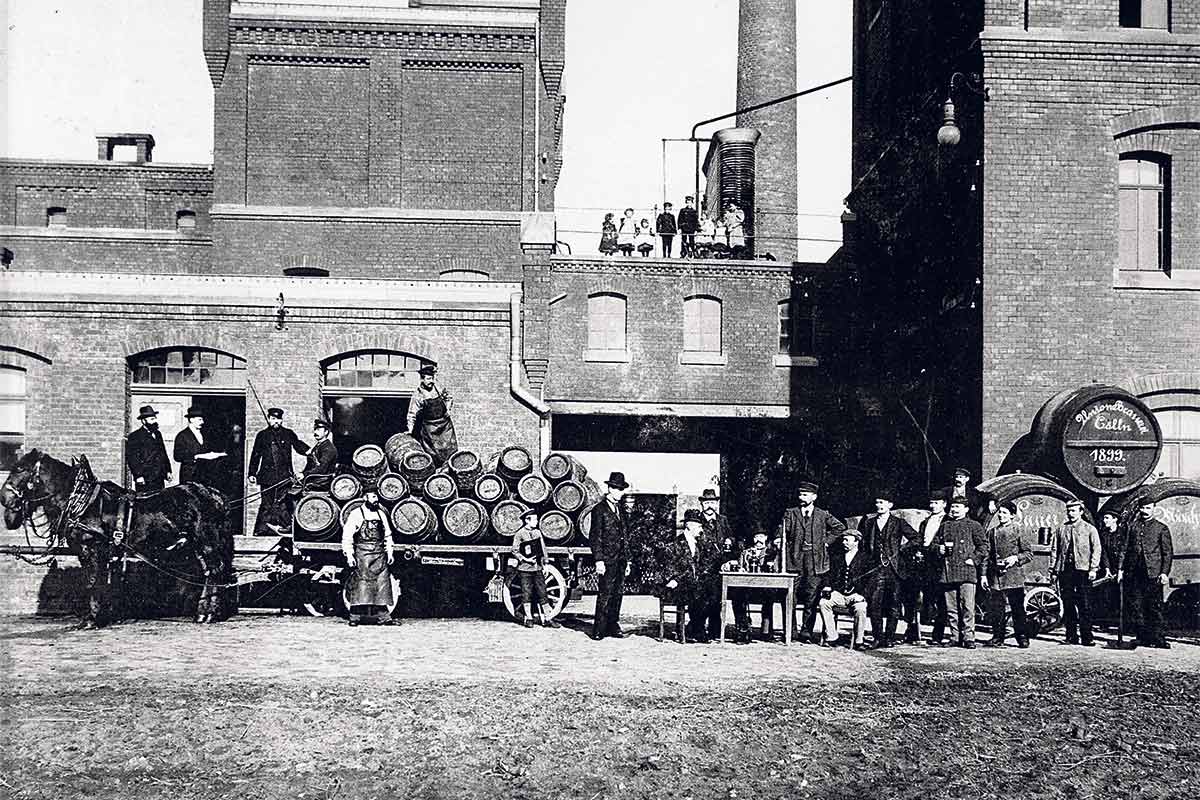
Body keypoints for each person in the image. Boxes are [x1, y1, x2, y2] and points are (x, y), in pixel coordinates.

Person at [776, 480, 846, 643]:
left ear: (814, 497)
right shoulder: (791, 513)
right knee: (790, 597)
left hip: (815, 562)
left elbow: (839, 527)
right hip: (794, 561)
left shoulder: (823, 514)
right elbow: (782, 530)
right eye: (800, 494)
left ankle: (806, 633)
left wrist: (826, 542)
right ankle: (790, 632)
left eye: (805, 494)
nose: (801, 497)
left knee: (811, 599)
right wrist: (779, 538)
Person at [858, 490, 916, 649]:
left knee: (894, 605)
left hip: (894, 570)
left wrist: (901, 549)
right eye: (877, 502)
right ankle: (878, 637)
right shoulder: (869, 523)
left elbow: (916, 538)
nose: (879, 505)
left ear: (890, 505)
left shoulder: (898, 522)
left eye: (882, 502)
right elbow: (863, 546)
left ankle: (889, 638)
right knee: (874, 604)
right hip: (875, 569)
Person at [1116, 500, 1174, 649]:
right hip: (1134, 573)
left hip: (1153, 573)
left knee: (1154, 607)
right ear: (1139, 509)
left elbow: (1167, 553)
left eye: (1148, 508)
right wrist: (1120, 569)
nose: (1145, 510)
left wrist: (1164, 573)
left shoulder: (1161, 528)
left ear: (1154, 509)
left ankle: (1159, 639)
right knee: (1137, 607)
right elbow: (1124, 549)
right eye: (1143, 508)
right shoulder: (1132, 526)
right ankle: (1142, 638)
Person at [663, 508, 723, 642]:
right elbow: (669, 565)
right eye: (699, 526)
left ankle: (694, 627)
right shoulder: (675, 543)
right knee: (700, 593)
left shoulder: (699, 543)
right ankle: (697, 630)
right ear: (689, 525)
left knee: (714, 592)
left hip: (694, 583)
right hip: (678, 584)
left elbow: (708, 562)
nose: (701, 530)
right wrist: (674, 579)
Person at [247, 407, 309, 536]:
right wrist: (252, 473)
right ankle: (261, 530)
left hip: (284, 476)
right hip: (266, 476)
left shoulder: (288, 433)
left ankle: (285, 529)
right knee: (266, 504)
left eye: (278, 419)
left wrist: (308, 451)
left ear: (282, 420)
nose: (276, 421)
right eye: (273, 419)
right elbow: (255, 455)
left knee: (283, 504)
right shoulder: (262, 435)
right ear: (269, 419)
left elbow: (298, 445)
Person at [935, 496, 987, 648]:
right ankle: (955, 637)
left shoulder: (974, 525)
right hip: (948, 570)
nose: (954, 509)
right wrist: (939, 548)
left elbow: (983, 546)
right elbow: (935, 543)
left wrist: (974, 560)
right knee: (951, 608)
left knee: (967, 607)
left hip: (967, 571)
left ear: (966, 509)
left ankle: (969, 637)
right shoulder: (945, 526)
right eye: (953, 507)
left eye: (958, 507)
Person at [1049, 498, 1101, 647]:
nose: (1070, 513)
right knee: (1068, 603)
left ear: (1081, 512)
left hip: (1083, 570)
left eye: (1073, 510)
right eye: (1068, 511)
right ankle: (1071, 636)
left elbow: (1096, 549)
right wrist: (1053, 569)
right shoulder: (1061, 529)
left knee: (1085, 604)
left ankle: (1087, 637)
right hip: (1065, 570)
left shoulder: (1090, 529)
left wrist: (1093, 568)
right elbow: (1055, 550)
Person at [341, 488, 396, 626]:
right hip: (362, 553)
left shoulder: (381, 514)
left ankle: (384, 618)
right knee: (361, 585)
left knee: (382, 585)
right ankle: (354, 617)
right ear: (365, 498)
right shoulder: (356, 514)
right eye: (373, 497)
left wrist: (390, 552)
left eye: (376, 497)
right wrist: (349, 555)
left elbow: (388, 534)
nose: (375, 499)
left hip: (379, 553)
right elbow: (347, 536)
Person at [983, 500, 1034, 648]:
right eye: (1000, 512)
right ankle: (998, 637)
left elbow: (1028, 554)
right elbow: (986, 556)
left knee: (1017, 608)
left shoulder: (1019, 530)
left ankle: (1022, 637)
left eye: (1005, 513)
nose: (1001, 515)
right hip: (996, 576)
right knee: (997, 609)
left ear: (1012, 515)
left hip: (1014, 576)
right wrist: (983, 575)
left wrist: (1015, 558)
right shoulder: (992, 532)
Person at [902, 490, 948, 645]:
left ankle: (937, 635)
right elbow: (920, 539)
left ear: (944, 504)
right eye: (931, 503)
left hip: (940, 562)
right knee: (914, 595)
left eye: (936, 503)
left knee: (939, 599)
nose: (933, 506)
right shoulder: (926, 521)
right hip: (924, 562)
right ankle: (912, 631)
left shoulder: (948, 521)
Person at [590, 471, 631, 641]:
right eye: (618, 489)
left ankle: (613, 625)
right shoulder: (599, 510)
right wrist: (598, 560)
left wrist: (628, 560)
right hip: (607, 559)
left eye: (622, 489)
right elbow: (595, 537)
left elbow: (625, 536)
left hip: (620, 559)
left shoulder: (621, 510)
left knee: (618, 594)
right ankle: (599, 629)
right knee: (605, 594)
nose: (620, 493)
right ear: (610, 489)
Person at [818, 529, 870, 649]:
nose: (844, 542)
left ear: (856, 542)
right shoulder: (838, 557)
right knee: (824, 603)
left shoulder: (865, 558)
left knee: (861, 608)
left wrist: (862, 595)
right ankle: (832, 636)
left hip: (856, 595)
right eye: (843, 540)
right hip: (839, 594)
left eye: (847, 540)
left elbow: (870, 581)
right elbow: (830, 575)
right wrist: (828, 586)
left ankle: (859, 640)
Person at [512, 508, 561, 629]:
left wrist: (545, 563)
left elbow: (543, 549)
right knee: (526, 594)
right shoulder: (520, 534)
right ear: (527, 520)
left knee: (543, 593)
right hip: (525, 569)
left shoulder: (538, 533)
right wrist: (525, 559)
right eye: (534, 520)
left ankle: (549, 618)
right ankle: (529, 618)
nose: (537, 521)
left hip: (537, 568)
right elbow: (515, 550)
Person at [729, 532, 781, 644]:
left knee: (769, 594)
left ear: (766, 538)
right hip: (748, 586)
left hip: (764, 586)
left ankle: (766, 631)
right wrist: (741, 569)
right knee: (737, 596)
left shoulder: (771, 552)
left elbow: (776, 570)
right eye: (756, 537)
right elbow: (740, 566)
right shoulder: (746, 552)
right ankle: (742, 629)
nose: (758, 540)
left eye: (761, 537)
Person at [699, 487, 736, 639]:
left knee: (718, 598)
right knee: (705, 597)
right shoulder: (697, 520)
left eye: (712, 502)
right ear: (702, 504)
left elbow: (731, 537)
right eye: (707, 502)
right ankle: (699, 628)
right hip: (702, 566)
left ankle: (715, 629)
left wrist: (730, 540)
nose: (710, 506)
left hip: (720, 565)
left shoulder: (722, 520)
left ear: (716, 504)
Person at [406, 364, 457, 467]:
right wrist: (410, 430)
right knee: (433, 454)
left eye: (432, 378)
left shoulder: (438, 388)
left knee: (451, 450)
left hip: (445, 426)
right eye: (429, 379)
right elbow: (412, 414)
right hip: (430, 428)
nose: (432, 381)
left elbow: (449, 397)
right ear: (422, 379)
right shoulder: (418, 395)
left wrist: (448, 409)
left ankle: (450, 469)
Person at [172, 406, 226, 488]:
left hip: (204, 475)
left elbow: (207, 450)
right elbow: (177, 456)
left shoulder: (205, 434)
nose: (202, 422)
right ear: (191, 420)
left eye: (202, 419)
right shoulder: (182, 436)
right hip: (189, 476)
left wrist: (215, 454)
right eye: (200, 420)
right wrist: (195, 456)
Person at [126, 404, 171, 492]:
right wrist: (138, 476)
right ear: (143, 421)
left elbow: (163, 453)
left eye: (155, 418)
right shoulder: (135, 436)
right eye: (152, 419)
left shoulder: (158, 434)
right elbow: (132, 458)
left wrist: (168, 471)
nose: (155, 421)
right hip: (145, 478)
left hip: (159, 477)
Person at [301, 417, 338, 493]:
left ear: (326, 432)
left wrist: (304, 474)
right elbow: (311, 465)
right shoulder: (319, 446)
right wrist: (302, 474)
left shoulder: (328, 448)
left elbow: (322, 469)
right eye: (315, 429)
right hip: (314, 479)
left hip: (321, 482)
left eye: (318, 430)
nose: (315, 432)